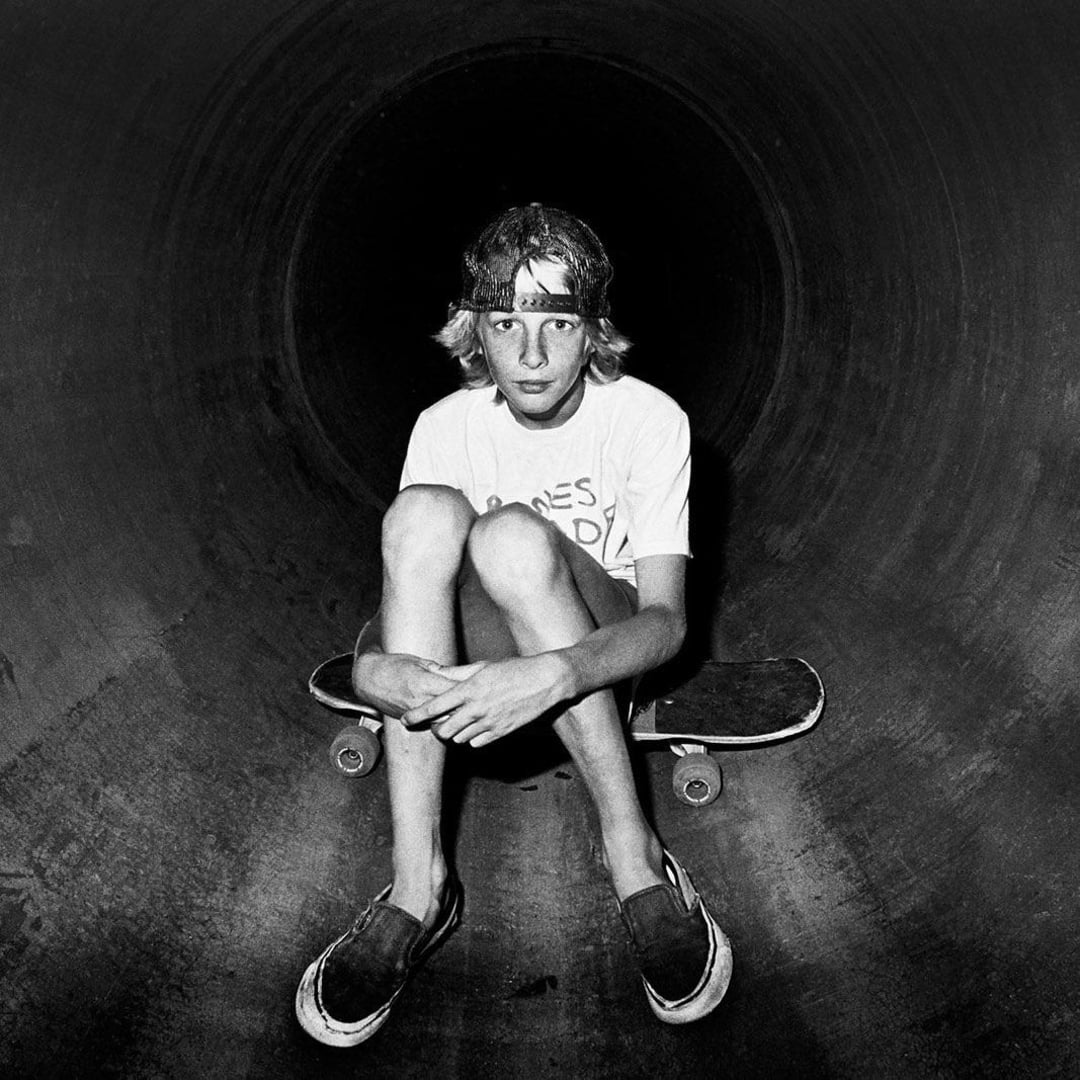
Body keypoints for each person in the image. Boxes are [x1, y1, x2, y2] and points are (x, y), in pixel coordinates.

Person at [295, 204, 732, 1047]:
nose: (531, 355)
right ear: (475, 332)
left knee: (509, 537)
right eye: (506, 325)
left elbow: (667, 622)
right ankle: (417, 886)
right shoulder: (444, 427)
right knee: (422, 513)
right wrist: (372, 670)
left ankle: (636, 859)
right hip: (469, 680)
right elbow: (408, 593)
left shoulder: (648, 419)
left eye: (557, 323)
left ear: (592, 330)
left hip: (589, 660)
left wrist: (555, 672)